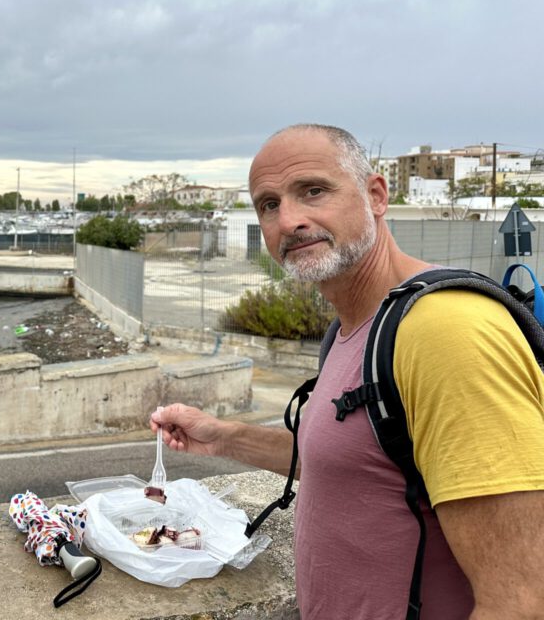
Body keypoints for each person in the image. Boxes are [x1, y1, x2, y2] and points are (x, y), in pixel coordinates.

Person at [151, 124, 544, 620]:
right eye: (268, 204)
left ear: (376, 195)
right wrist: (223, 437)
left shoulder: (446, 331)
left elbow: (522, 600)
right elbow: (356, 463)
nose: (289, 220)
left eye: (313, 191)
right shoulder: (351, 329)